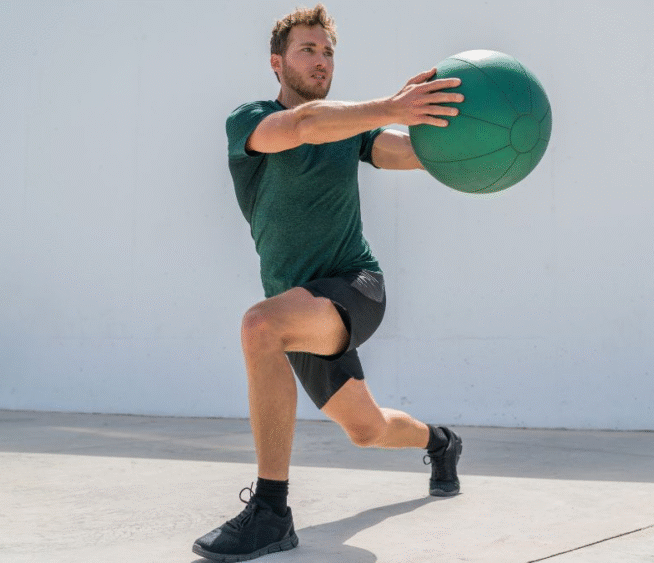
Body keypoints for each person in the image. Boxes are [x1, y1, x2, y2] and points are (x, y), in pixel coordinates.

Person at [192, 4, 464, 561]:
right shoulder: (250, 122)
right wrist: (389, 105)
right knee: (366, 429)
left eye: (328, 52)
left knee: (260, 325)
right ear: (277, 63)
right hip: (303, 306)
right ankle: (442, 442)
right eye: (307, 50)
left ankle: (271, 511)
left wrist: (467, 141)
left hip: (355, 286)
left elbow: (412, 154)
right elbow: (304, 126)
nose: (321, 61)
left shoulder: (353, 131)